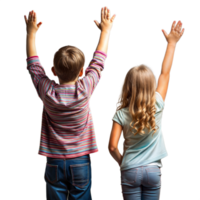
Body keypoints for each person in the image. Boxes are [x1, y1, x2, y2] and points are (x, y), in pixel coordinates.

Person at [23, 6, 186, 200]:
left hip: (53, 161)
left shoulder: (47, 91)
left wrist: (30, 33)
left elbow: (33, 66)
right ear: (83, 71)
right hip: (82, 161)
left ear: (53, 71)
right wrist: (106, 30)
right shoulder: (85, 89)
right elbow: (100, 62)